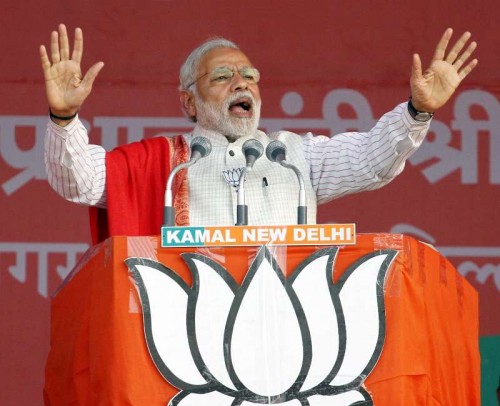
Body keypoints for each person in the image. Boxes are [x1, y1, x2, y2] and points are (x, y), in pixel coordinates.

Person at [40, 24, 478, 242]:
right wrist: (64, 119)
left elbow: (371, 160)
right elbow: (80, 181)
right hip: (187, 346)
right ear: (189, 102)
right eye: (224, 76)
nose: (242, 83)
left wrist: (418, 110)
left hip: (287, 345)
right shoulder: (163, 164)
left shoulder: (292, 156)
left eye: (249, 74)